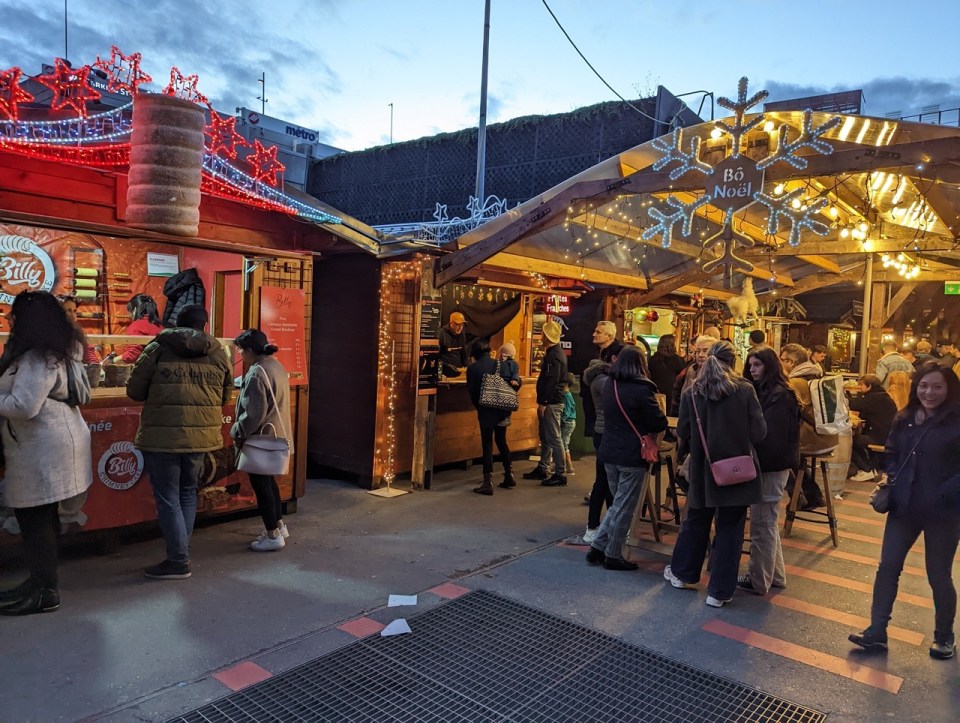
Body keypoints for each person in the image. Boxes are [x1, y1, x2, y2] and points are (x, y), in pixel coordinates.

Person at [849, 363, 960, 660]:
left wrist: (942, 493)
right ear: (915, 387)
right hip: (904, 505)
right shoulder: (906, 417)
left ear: (949, 388)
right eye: (924, 385)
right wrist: (894, 476)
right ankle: (876, 631)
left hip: (943, 512)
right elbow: (893, 452)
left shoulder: (956, 420)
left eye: (937, 386)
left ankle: (944, 635)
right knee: (887, 567)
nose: (929, 392)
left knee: (938, 574)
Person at [0, 291, 91, 615]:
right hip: (48, 445)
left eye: (14, 315)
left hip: (42, 448)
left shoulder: (37, 358)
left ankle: (44, 591)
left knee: (35, 520)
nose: (10, 320)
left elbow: (24, 406)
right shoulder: (53, 351)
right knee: (42, 518)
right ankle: (40, 583)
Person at [126, 305, 232, 579]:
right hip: (200, 437)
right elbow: (224, 398)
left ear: (176, 322)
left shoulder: (158, 348)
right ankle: (180, 555)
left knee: (168, 497)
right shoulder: (219, 352)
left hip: (163, 437)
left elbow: (135, 391)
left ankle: (178, 560)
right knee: (186, 493)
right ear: (204, 325)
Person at [664, 341, 766, 607]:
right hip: (736, 470)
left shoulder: (693, 392)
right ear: (733, 362)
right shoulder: (744, 390)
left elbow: (683, 432)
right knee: (730, 529)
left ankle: (682, 575)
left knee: (696, 521)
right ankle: (719, 593)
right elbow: (759, 432)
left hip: (702, 469)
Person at [586, 346, 667, 570]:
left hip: (609, 451)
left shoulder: (609, 385)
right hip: (632, 454)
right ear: (641, 364)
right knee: (624, 507)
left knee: (617, 504)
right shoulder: (642, 389)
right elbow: (658, 422)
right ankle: (613, 554)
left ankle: (597, 548)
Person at [737, 346, 799, 596]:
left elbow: (770, 437)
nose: (752, 370)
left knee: (762, 523)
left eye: (757, 365)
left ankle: (758, 579)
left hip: (770, 466)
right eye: (750, 365)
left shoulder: (780, 395)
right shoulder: (771, 392)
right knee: (768, 522)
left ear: (770, 366)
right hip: (771, 464)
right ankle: (775, 576)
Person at [231, 329, 293, 550]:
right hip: (277, 434)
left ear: (249, 350)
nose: (239, 353)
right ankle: (279, 525)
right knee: (269, 483)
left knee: (262, 486)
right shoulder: (275, 365)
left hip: (261, 439)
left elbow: (253, 414)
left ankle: (273, 535)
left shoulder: (258, 372)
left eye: (240, 349)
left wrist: (237, 430)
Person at [780, 343, 835, 509]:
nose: (780, 363)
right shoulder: (818, 376)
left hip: (811, 439)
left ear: (791, 362)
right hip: (828, 437)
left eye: (782, 360)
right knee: (792, 457)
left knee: (777, 454)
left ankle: (800, 495)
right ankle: (812, 495)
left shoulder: (795, 382)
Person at [466, 339, 522, 495]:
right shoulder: (500, 364)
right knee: (501, 440)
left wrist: (481, 406)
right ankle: (509, 474)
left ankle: (487, 481)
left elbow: (472, 392)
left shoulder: (473, 369)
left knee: (487, 443)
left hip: (485, 410)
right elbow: (515, 383)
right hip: (502, 410)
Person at [523, 320, 568, 486]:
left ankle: (560, 473)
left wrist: (544, 402)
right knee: (548, 437)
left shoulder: (553, 356)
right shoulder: (556, 353)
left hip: (552, 403)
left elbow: (552, 381)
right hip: (552, 401)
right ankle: (543, 468)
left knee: (554, 438)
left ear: (547, 337)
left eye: (543, 334)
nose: (540, 336)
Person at [582, 357, 614, 543]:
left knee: (604, 482)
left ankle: (599, 525)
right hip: (605, 433)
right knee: (603, 482)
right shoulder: (603, 381)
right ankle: (593, 526)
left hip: (601, 432)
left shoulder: (596, 380)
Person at [847, 374, 897, 482]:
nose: (859, 387)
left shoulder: (874, 397)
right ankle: (870, 468)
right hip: (887, 435)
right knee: (858, 439)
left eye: (861, 385)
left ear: (869, 386)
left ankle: (866, 469)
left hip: (880, 437)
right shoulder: (882, 396)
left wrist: (844, 397)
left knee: (851, 441)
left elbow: (854, 405)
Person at [670, 333, 719, 417]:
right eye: (698, 351)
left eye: (705, 351)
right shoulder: (692, 370)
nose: (700, 355)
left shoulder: (720, 372)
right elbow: (684, 399)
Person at [117, 294, 165, 364]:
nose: (130, 316)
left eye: (130, 312)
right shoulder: (161, 327)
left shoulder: (136, 326)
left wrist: (113, 360)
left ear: (134, 310)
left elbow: (132, 355)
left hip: (146, 370)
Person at [648, 334, 686, 413]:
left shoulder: (652, 359)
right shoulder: (677, 360)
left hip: (655, 392)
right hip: (671, 394)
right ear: (672, 345)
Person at [58, 295, 100, 363]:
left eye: (74, 311)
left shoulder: (78, 334)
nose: (72, 315)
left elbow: (90, 356)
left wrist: (94, 364)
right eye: (68, 310)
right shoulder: (52, 335)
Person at [439, 311, 469, 378]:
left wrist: (467, 366)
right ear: (451, 323)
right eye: (458, 324)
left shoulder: (462, 335)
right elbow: (436, 357)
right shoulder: (442, 334)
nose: (460, 327)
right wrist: (447, 366)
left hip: (459, 374)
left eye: (462, 325)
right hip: (445, 375)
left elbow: (464, 354)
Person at [560, 372, 577, 475]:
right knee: (564, 443)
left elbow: (566, 412)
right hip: (571, 422)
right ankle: (565, 465)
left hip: (567, 422)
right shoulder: (569, 394)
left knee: (562, 445)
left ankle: (568, 466)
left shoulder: (565, 396)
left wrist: (561, 420)